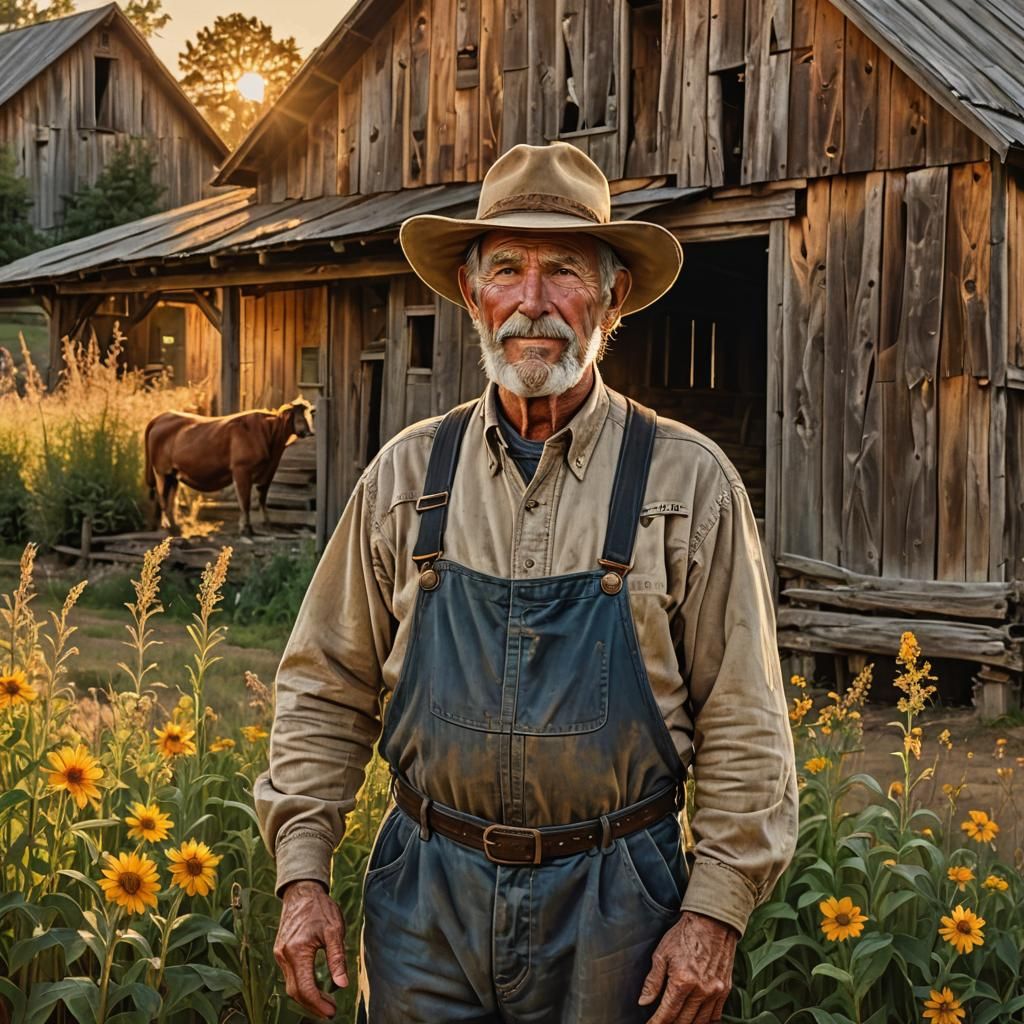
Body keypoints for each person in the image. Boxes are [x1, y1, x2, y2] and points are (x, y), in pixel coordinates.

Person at [256, 141, 798, 1024]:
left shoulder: (688, 483)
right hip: (425, 895)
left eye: (565, 272)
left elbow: (745, 719)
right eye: (506, 268)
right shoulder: (403, 477)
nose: (533, 303)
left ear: (613, 297)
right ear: (471, 293)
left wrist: (714, 914)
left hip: (618, 902)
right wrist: (303, 875)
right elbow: (324, 685)